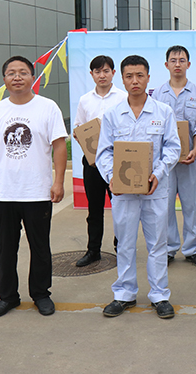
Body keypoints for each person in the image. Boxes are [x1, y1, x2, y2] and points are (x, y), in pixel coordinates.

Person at [0, 56, 68, 318]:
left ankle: (41, 294)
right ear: (4, 79)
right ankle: (8, 297)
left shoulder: (48, 108)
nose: (17, 77)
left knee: (40, 247)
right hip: (4, 193)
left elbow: (59, 146)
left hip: (37, 192)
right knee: (6, 249)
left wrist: (58, 181)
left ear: (32, 77)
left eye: (23, 72)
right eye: (11, 73)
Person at [96, 55, 180, 320]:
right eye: (129, 76)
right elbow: (103, 152)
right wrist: (112, 177)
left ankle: (160, 295)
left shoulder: (163, 112)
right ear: (122, 79)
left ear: (148, 78)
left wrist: (158, 173)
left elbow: (173, 148)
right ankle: (124, 293)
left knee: (158, 244)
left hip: (155, 190)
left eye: (140, 75)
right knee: (125, 243)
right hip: (123, 192)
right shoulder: (113, 114)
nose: (135, 81)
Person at [151, 45, 196, 268]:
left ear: (188, 64)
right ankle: (168, 248)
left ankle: (194, 248)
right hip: (165, 161)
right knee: (165, 205)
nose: (178, 64)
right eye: (173, 60)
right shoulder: (158, 94)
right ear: (166, 65)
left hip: (190, 159)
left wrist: (195, 148)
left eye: (182, 60)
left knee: (190, 204)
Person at [72, 55, 127, 267]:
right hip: (92, 163)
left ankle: (122, 249)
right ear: (91, 74)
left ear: (113, 73)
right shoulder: (85, 100)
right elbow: (78, 127)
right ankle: (93, 250)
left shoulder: (123, 97)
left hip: (118, 162)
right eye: (97, 71)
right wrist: (80, 136)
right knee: (94, 209)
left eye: (106, 71)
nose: (102, 75)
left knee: (120, 207)